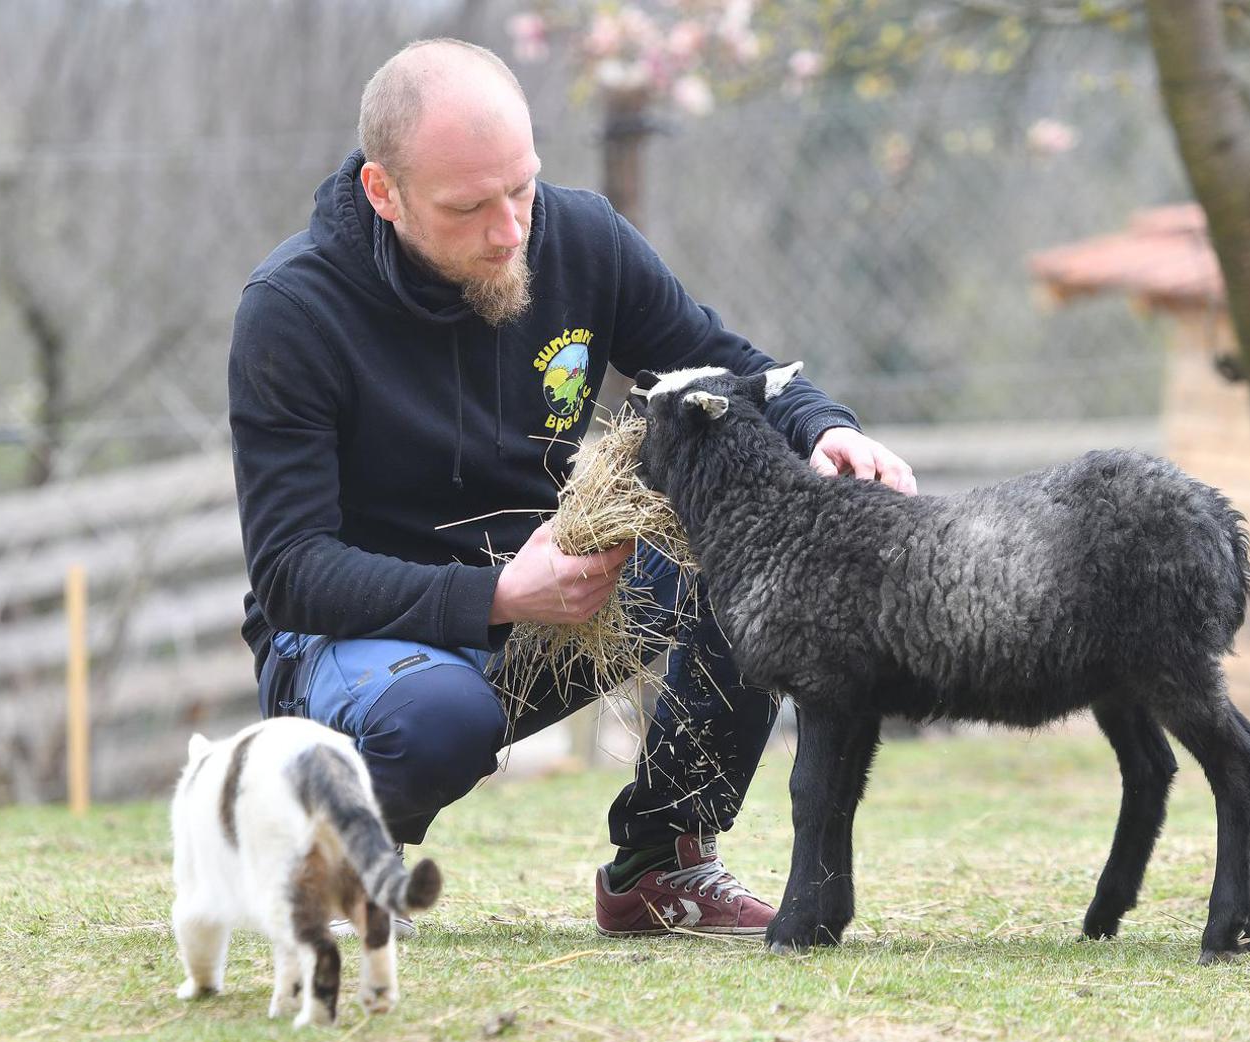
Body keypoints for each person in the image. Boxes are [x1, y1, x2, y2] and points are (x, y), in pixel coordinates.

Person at [227, 38, 915, 939]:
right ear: (383, 193)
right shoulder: (292, 311)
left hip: (552, 603)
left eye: (521, 188)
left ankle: (662, 860)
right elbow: (291, 571)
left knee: (761, 555)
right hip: (361, 644)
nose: (511, 231)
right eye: (469, 207)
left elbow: (722, 365)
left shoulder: (580, 238)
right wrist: (497, 595)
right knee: (437, 718)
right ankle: (319, 843)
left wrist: (829, 430)